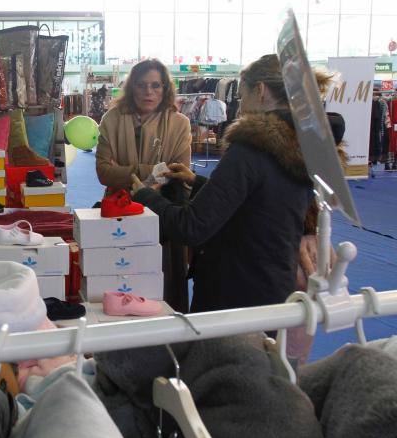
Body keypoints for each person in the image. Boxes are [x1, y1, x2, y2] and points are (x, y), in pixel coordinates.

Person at [131, 54, 316, 313]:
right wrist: (197, 181)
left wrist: (145, 196)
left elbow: (192, 226)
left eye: (242, 95)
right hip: (274, 286)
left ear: (260, 90)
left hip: (234, 293)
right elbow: (259, 201)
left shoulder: (250, 149)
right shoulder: (301, 145)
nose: (239, 105)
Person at [96, 58, 192, 311]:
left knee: (164, 283)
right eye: (141, 85)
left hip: (165, 211)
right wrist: (152, 170)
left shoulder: (179, 123)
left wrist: (126, 172)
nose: (148, 92)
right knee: (120, 274)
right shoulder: (112, 119)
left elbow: (179, 172)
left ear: (165, 89)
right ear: (132, 87)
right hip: (121, 208)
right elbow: (104, 172)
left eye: (156, 85)